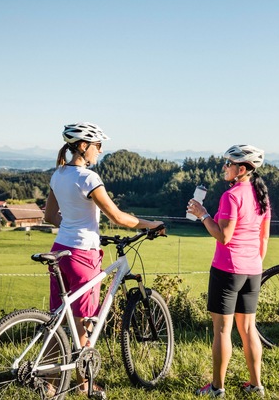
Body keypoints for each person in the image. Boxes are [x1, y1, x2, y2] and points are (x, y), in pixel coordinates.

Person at [44, 122, 164, 396]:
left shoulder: (58, 175)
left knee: (58, 320)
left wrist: (73, 222)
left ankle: (49, 382)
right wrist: (151, 224)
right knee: (85, 323)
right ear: (84, 146)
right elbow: (118, 217)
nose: (100, 151)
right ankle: (83, 384)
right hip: (83, 255)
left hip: (60, 249)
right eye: (98, 146)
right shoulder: (88, 178)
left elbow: (50, 217)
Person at [187, 144, 271, 398]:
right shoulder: (261, 195)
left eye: (228, 164)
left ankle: (216, 388)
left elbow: (223, 236)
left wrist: (202, 215)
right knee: (248, 329)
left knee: (223, 330)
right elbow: (264, 238)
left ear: (241, 169)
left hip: (227, 270)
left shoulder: (231, 196)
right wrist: (253, 262)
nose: (224, 167)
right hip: (252, 269)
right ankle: (256, 385)